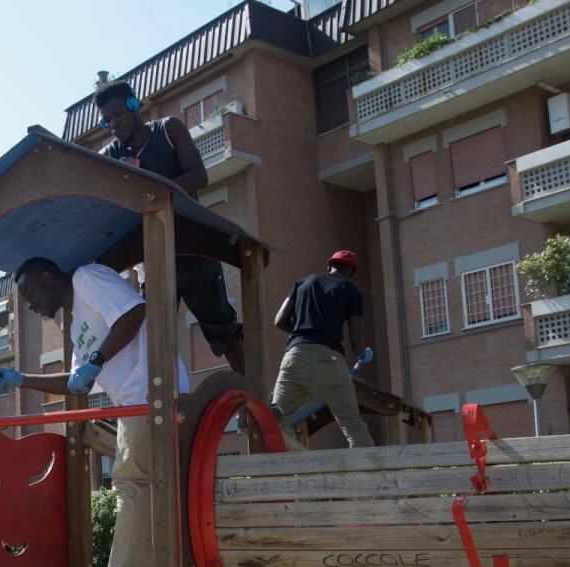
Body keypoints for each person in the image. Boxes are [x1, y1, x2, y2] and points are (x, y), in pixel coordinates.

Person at [0, 257, 189, 567]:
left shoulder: (86, 277)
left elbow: (133, 313)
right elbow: (74, 383)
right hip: (136, 401)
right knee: (143, 486)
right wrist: (22, 379)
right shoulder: (75, 325)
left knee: (130, 483)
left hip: (149, 393)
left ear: (48, 277)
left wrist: (97, 358)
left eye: (30, 294)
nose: (32, 306)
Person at [94, 80, 246, 375]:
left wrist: (154, 195)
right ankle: (162, 409)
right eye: (106, 120)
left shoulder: (169, 129)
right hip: (156, 258)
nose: (112, 124)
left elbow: (199, 177)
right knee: (152, 339)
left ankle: (257, 398)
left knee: (223, 331)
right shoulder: (112, 154)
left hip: (196, 250)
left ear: (134, 105)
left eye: (116, 115)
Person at [270, 250, 375, 448]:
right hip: (330, 361)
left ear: (329, 266)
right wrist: (363, 354)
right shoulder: (351, 291)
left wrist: (303, 334)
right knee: (352, 423)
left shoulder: (303, 283)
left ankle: (293, 462)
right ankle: (372, 475)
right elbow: (356, 340)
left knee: (273, 421)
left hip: (296, 356)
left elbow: (279, 320)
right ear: (351, 272)